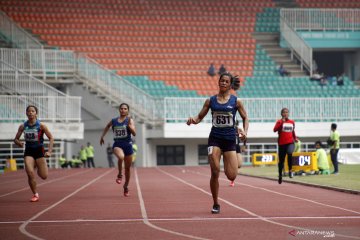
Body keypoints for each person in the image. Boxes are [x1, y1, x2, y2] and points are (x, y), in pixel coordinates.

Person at [187, 72, 249, 214]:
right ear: (218, 82)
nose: (223, 83)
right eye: (221, 81)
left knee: (232, 175)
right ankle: (215, 203)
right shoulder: (210, 101)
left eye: (226, 81)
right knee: (214, 171)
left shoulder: (236, 101)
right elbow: (199, 117)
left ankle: (228, 167)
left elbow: (245, 118)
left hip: (229, 139)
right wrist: (192, 120)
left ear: (230, 85)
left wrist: (245, 132)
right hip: (215, 138)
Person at [13, 105, 54, 202]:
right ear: (26, 113)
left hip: (39, 152)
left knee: (44, 176)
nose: (30, 113)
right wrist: (19, 143)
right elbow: (15, 139)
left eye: (33, 111)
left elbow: (51, 138)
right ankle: (35, 194)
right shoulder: (23, 126)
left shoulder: (41, 126)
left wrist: (49, 151)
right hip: (29, 152)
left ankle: (36, 165)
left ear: (36, 113)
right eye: (29, 111)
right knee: (30, 173)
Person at [100, 103, 136, 197]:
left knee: (128, 169)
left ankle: (126, 186)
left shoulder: (130, 120)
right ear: (119, 110)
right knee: (121, 157)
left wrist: (129, 126)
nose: (123, 110)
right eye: (121, 108)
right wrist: (102, 136)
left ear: (128, 110)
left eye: (125, 109)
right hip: (117, 144)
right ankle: (120, 174)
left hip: (128, 145)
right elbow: (107, 126)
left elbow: (134, 133)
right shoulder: (114, 120)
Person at [273, 108, 297, 184]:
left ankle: (290, 170)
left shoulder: (292, 122)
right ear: (281, 114)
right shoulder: (279, 122)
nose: (285, 114)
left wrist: (295, 138)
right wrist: (281, 123)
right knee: (281, 161)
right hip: (282, 143)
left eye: (287, 112)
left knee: (290, 153)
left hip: (290, 142)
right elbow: (275, 130)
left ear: (288, 114)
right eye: (284, 112)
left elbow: (292, 131)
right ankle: (280, 175)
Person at [230, 120, 246, 187]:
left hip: (237, 147)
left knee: (239, 165)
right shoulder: (228, 129)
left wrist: (244, 146)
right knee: (233, 165)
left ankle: (232, 172)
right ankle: (232, 180)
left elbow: (244, 138)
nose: (235, 125)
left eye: (236, 124)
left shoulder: (238, 130)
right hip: (230, 148)